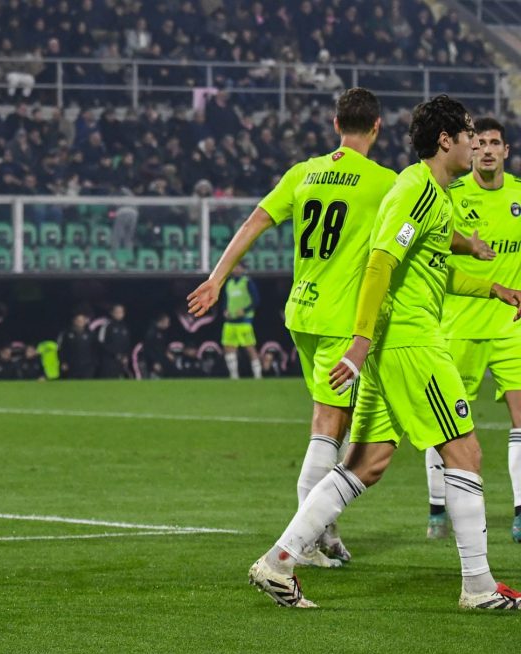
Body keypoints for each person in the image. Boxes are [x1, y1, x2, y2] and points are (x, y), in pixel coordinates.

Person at [189, 88, 490, 566]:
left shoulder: (303, 173)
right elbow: (416, 232)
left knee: (349, 440)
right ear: (376, 127)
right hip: (346, 319)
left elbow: (255, 221)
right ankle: (303, 545)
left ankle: (320, 537)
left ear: (335, 124)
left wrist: (216, 278)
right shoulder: (384, 181)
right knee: (329, 429)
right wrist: (468, 245)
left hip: (301, 311)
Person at [249, 95, 521, 610]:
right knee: (465, 453)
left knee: (366, 463)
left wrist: (494, 289)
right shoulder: (416, 189)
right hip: (411, 344)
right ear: (446, 140)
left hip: (393, 346)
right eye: (469, 134)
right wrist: (359, 342)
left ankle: (278, 563)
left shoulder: (433, 195)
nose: (474, 143)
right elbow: (380, 262)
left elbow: (432, 269)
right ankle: (480, 586)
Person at [426, 117, 521, 541]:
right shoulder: (452, 194)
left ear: (506, 151)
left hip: (510, 325)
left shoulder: (520, 194)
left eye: (494, 143)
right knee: (445, 422)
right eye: (479, 142)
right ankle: (437, 510)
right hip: (459, 325)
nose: (486, 149)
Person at [220, 262, 262, 379]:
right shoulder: (229, 283)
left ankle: (258, 375)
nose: (236, 269)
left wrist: (245, 310)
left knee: (249, 348)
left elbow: (256, 300)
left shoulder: (247, 282)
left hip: (244, 321)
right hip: (230, 321)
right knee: (229, 348)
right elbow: (225, 300)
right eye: (234, 267)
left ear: (243, 269)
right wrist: (225, 310)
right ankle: (234, 375)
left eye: (238, 267)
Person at [58, 312, 98, 379]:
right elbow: (61, 349)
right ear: (74, 321)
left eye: (82, 320)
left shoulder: (91, 334)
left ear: (85, 321)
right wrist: (63, 362)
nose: (80, 322)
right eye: (78, 320)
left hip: (87, 365)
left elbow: (95, 349)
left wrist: (94, 363)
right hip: (71, 365)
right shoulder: (66, 334)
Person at [98, 304, 131, 378]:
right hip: (108, 360)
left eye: (121, 312)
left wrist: (126, 355)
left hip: (121, 361)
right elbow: (100, 342)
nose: (119, 314)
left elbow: (127, 344)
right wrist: (115, 354)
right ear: (112, 313)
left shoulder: (125, 327)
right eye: (117, 312)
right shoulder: (106, 325)